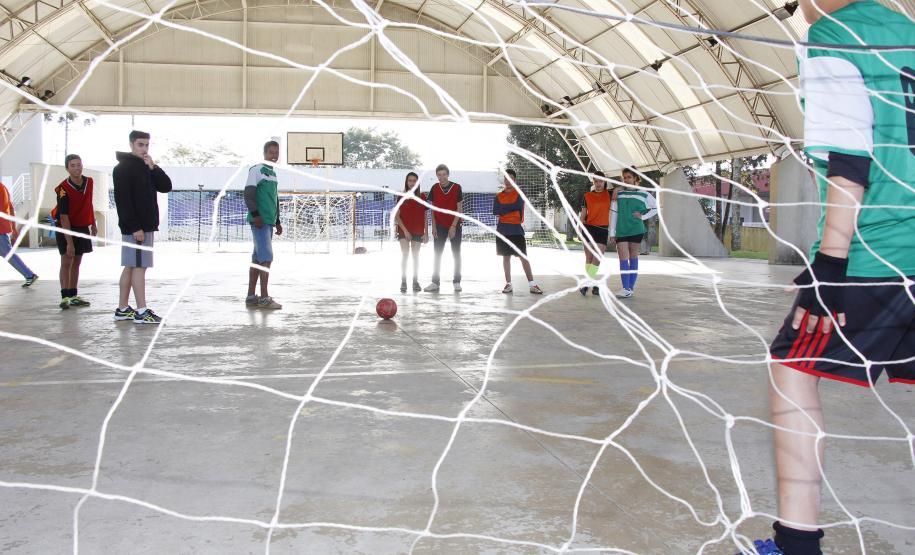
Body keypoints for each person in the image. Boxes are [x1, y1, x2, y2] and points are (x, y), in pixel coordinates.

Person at [756, 2, 915, 554]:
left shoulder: (837, 32)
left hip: (883, 249)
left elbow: (851, 158)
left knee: (791, 368)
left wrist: (831, 262)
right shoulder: (909, 31)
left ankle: (797, 545)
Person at [113, 130, 172, 324]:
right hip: (137, 228)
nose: (144, 149)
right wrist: (134, 227)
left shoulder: (146, 166)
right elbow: (123, 200)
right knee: (139, 267)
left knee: (131, 267)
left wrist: (153, 166)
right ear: (131, 144)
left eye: (147, 145)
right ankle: (141, 311)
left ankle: (122, 308)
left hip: (144, 226)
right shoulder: (123, 168)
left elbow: (165, 186)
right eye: (140, 144)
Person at [53, 154, 97, 309]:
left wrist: (93, 223)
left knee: (77, 261)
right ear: (67, 168)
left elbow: (89, 203)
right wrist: (69, 243)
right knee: (66, 260)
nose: (77, 168)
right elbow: (64, 217)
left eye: (79, 164)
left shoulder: (89, 182)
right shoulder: (62, 189)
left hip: (82, 225)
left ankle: (73, 295)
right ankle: (64, 296)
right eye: (73, 165)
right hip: (65, 227)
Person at [244, 140, 283, 309]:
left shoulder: (273, 174)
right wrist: (256, 215)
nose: (274, 156)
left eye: (276, 152)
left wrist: (277, 221)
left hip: (268, 222)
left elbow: (275, 199)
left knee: (257, 260)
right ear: (264, 153)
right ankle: (265, 298)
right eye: (271, 152)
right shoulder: (256, 170)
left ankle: (251, 296)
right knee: (266, 259)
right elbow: (248, 194)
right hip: (259, 221)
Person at [609, 167, 657, 299]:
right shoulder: (618, 194)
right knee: (623, 258)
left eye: (629, 177)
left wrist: (643, 217)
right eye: (624, 178)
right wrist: (612, 232)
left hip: (636, 229)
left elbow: (656, 207)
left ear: (636, 178)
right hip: (621, 229)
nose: (626, 180)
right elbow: (613, 213)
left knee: (633, 257)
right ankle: (626, 288)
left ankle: (629, 288)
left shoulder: (643, 193)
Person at [493, 169, 542, 295]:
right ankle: (508, 284)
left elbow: (517, 205)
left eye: (510, 179)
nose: (508, 181)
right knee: (506, 258)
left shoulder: (520, 193)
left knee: (523, 258)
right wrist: (510, 208)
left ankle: (532, 284)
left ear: (514, 180)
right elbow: (496, 210)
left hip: (516, 230)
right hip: (502, 230)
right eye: (505, 179)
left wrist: (505, 209)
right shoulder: (498, 195)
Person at [424, 164, 464, 293]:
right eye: (439, 175)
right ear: (437, 176)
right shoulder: (434, 188)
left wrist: (453, 226)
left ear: (448, 174)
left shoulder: (457, 187)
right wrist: (433, 227)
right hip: (440, 225)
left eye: (444, 174)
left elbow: (459, 209)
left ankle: (457, 281)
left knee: (456, 254)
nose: (442, 177)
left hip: (454, 224)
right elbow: (433, 210)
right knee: (437, 254)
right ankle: (435, 282)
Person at [578, 170, 611, 296]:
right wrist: (580, 228)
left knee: (597, 258)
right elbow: (583, 214)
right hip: (588, 228)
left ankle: (586, 284)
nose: (598, 184)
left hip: (602, 229)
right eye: (596, 181)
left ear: (605, 182)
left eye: (600, 181)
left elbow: (622, 187)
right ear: (593, 182)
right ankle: (593, 284)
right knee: (589, 259)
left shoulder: (610, 194)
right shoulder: (587, 195)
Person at [394, 171, 428, 293]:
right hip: (404, 230)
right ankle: (403, 281)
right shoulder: (401, 196)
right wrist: (405, 231)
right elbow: (397, 216)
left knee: (415, 257)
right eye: (410, 180)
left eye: (414, 181)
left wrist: (426, 232)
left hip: (418, 230)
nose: (412, 183)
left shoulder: (422, 197)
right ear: (406, 182)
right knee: (405, 255)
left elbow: (425, 215)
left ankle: (415, 281)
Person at [0, 181, 38, 287]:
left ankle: (29, 275)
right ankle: (29, 275)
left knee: (8, 253)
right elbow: (10, 207)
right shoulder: (3, 187)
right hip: (3, 226)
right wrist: (13, 227)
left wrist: (13, 227)